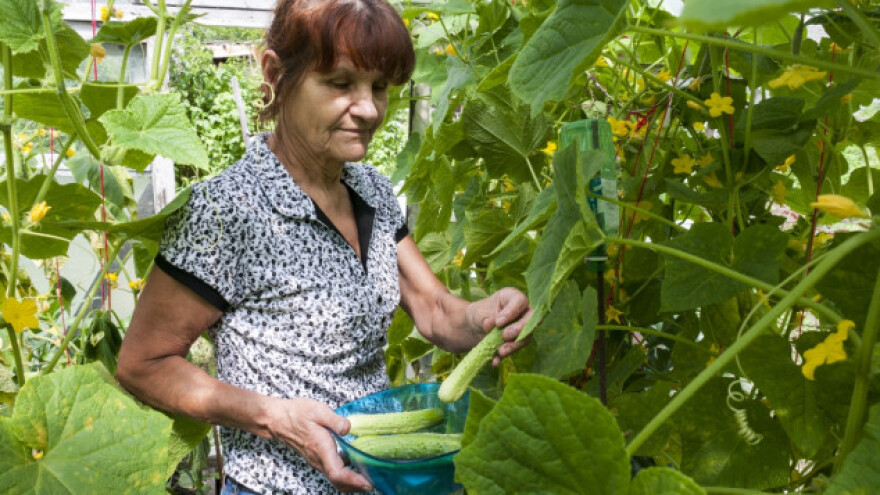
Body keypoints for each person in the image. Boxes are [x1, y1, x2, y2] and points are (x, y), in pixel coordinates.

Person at [116, 0, 532, 493]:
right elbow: (143, 364)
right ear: (276, 74)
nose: (370, 108)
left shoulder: (371, 191)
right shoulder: (228, 210)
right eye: (340, 83)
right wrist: (274, 418)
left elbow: (435, 308)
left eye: (379, 86)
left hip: (375, 478)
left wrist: (484, 318)